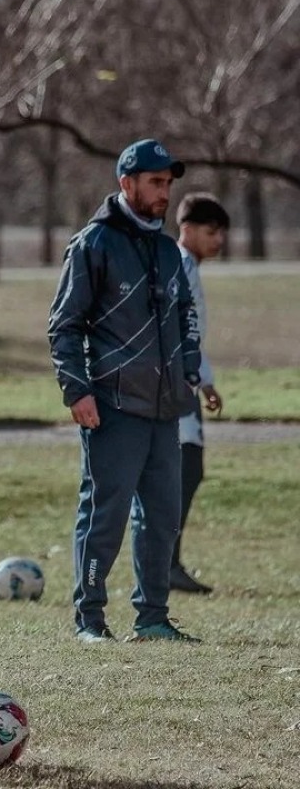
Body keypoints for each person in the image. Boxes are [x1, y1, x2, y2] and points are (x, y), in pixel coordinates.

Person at [48, 138, 202, 644]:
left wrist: (191, 371)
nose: (164, 192)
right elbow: (64, 326)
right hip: (112, 406)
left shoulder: (166, 249)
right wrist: (77, 392)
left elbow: (184, 316)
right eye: (156, 182)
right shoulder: (92, 244)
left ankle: (152, 618)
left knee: (162, 517)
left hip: (166, 408)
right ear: (126, 183)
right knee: (104, 517)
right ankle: (89, 620)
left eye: (168, 183)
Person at [166, 193, 229, 594]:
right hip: (175, 387)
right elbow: (177, 328)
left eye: (221, 232)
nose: (218, 240)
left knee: (187, 472)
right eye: (211, 231)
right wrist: (192, 380)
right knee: (181, 473)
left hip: (187, 381)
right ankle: (165, 565)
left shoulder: (188, 265)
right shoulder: (181, 264)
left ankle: (167, 562)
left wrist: (206, 380)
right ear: (186, 229)